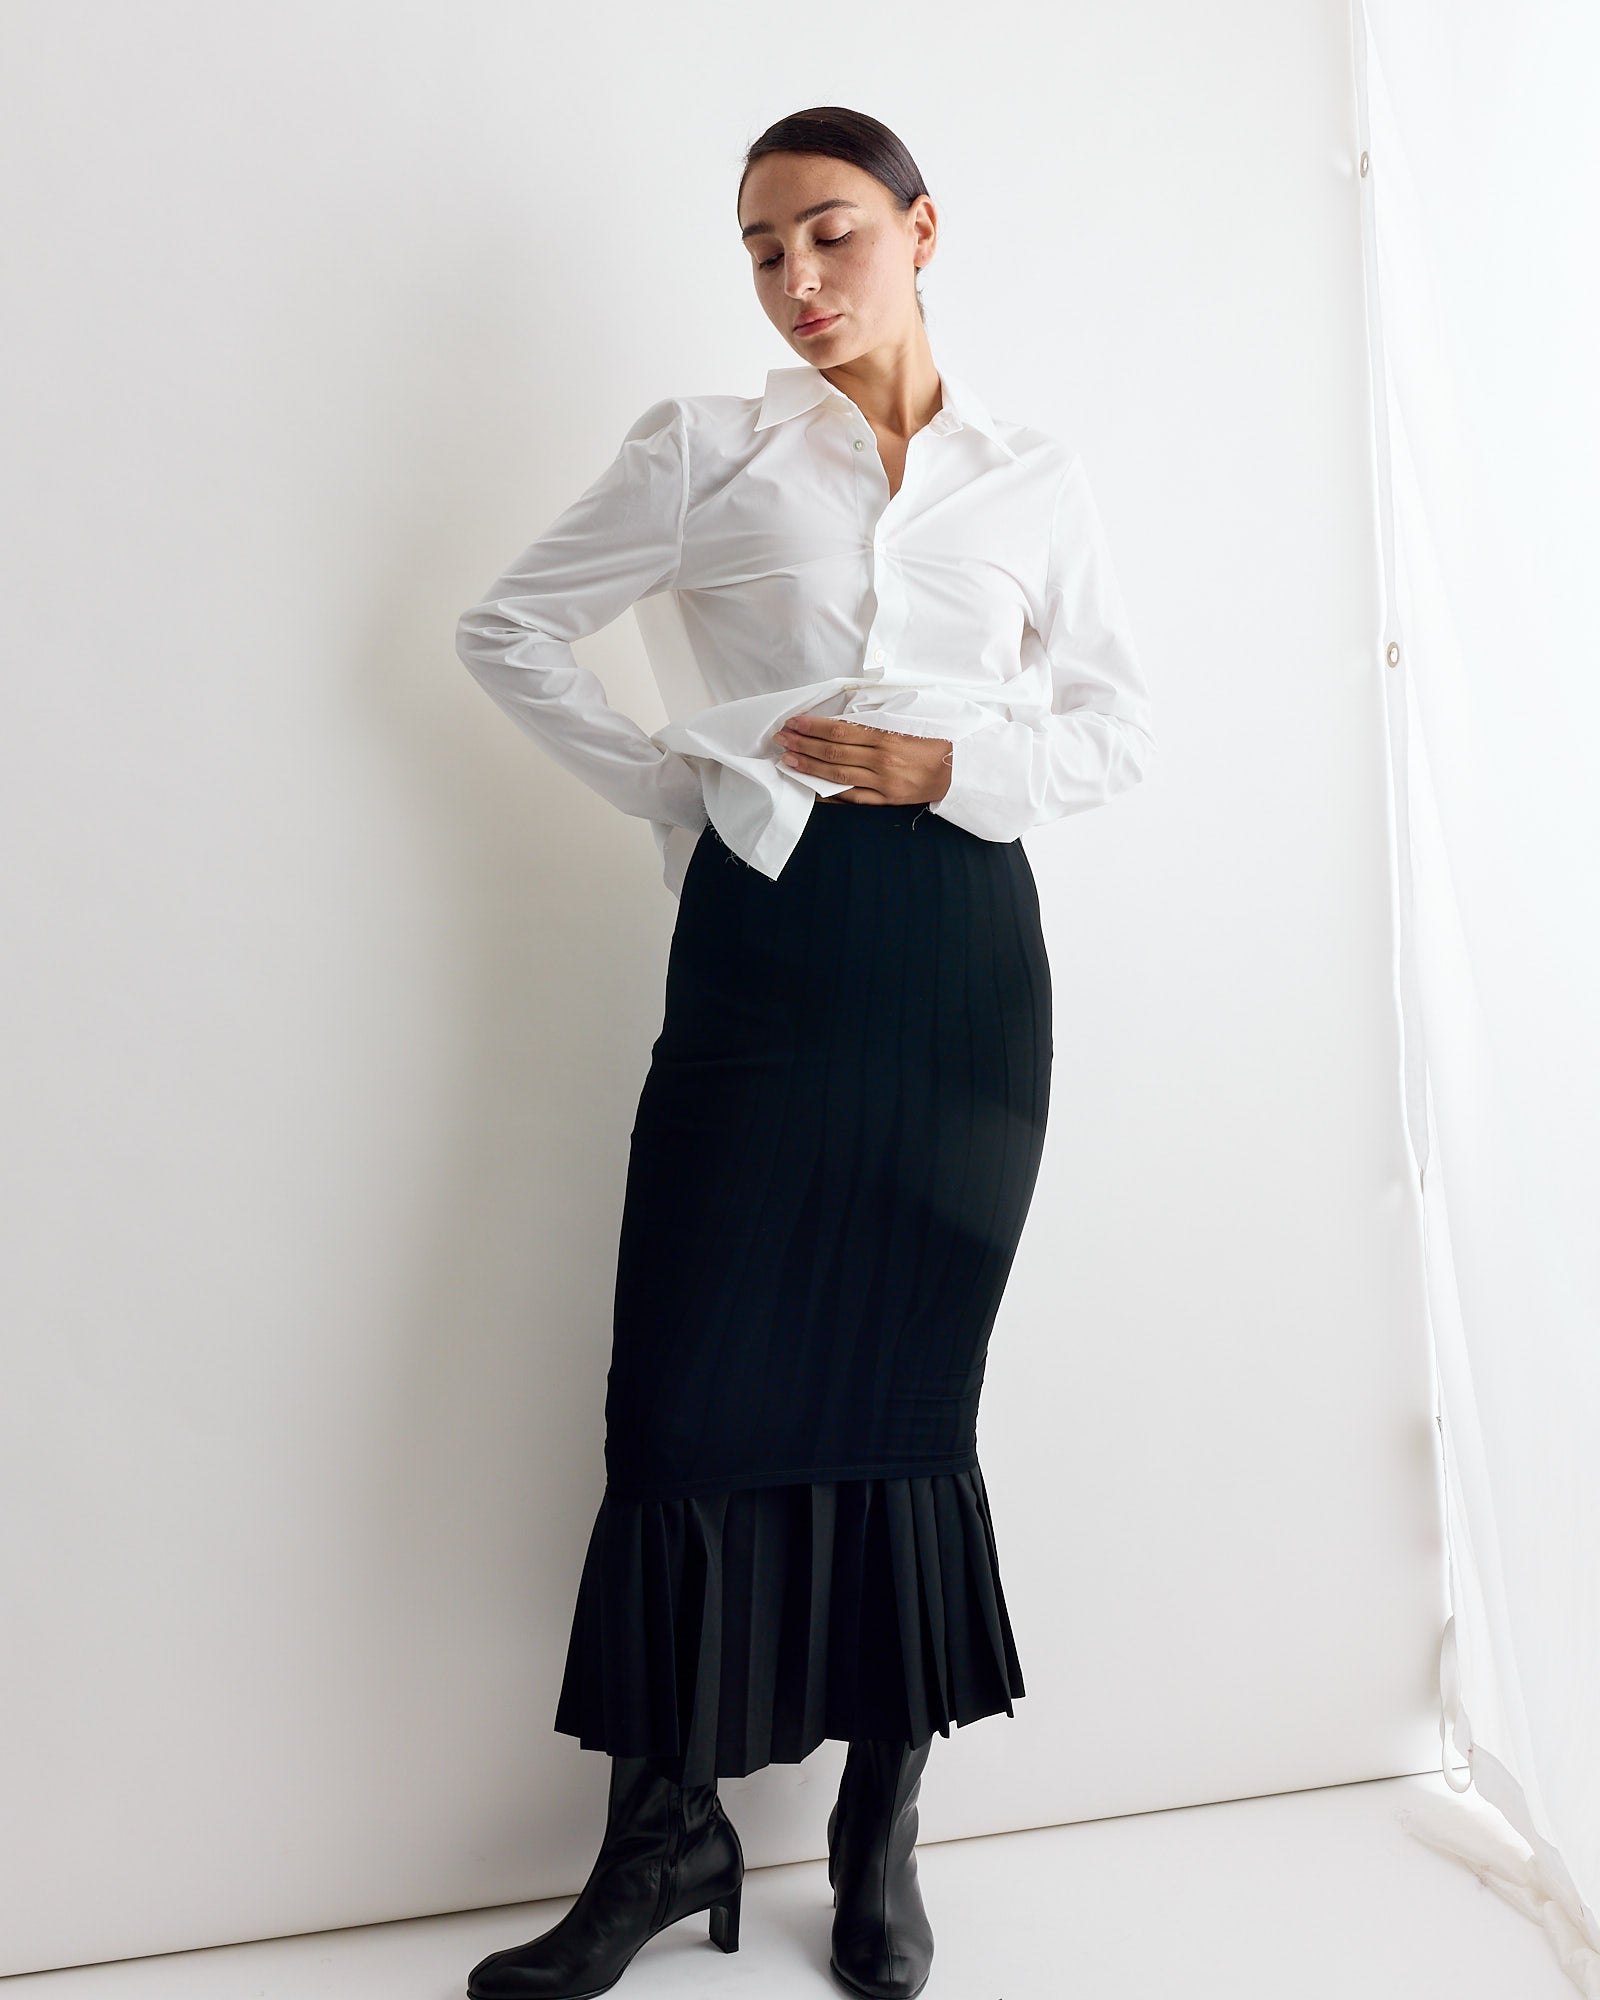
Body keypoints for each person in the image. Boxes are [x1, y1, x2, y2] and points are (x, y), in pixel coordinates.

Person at [453, 104, 1154, 2000]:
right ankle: (659, 1830)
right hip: (768, 947)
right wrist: (689, 787)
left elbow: (1114, 729)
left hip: (962, 975)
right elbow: (508, 630)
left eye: (831, 235)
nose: (797, 282)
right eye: (763, 251)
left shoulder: (1032, 475)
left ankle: (876, 1824)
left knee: (908, 1398)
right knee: (685, 1393)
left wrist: (957, 764)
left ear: (923, 231)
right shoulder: (703, 451)